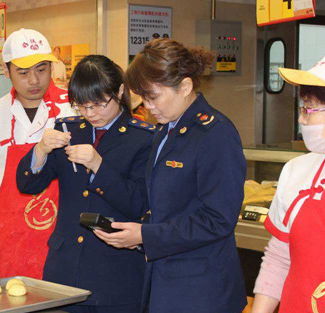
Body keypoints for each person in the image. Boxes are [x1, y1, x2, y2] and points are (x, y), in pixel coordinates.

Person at [94, 39, 247, 313]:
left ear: (185, 86)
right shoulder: (166, 130)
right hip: (165, 279)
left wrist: (146, 236)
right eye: (143, 97)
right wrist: (132, 232)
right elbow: (165, 203)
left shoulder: (215, 134)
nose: (148, 106)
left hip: (202, 288)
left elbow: (218, 220)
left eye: (154, 96)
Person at [16, 55, 153, 312]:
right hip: (65, 269)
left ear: (120, 91)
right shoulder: (69, 129)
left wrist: (99, 166)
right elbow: (27, 186)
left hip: (115, 274)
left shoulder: (143, 138)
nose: (91, 114)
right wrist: (41, 150)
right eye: (82, 106)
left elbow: (139, 204)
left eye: (99, 104)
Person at [0, 28, 76, 279]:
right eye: (23, 73)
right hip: (11, 237)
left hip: (64, 233)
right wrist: (15, 209)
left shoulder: (75, 109)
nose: (34, 80)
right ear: (6, 71)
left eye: (41, 69)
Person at [251, 56, 325, 313]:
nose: (301, 120)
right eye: (301, 109)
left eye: (308, 109)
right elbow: (278, 257)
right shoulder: (297, 171)